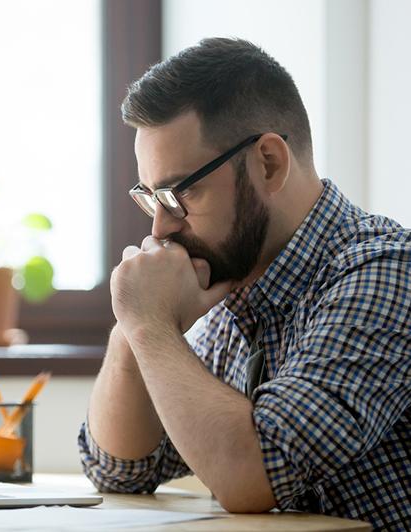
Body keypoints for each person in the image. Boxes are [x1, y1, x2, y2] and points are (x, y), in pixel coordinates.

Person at [78, 37, 410, 530]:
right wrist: (132, 323)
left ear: (269, 162)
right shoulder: (233, 292)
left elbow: (253, 476)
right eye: (152, 198)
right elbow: (120, 470)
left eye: (182, 191)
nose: (160, 229)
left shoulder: (385, 271)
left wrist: (151, 325)